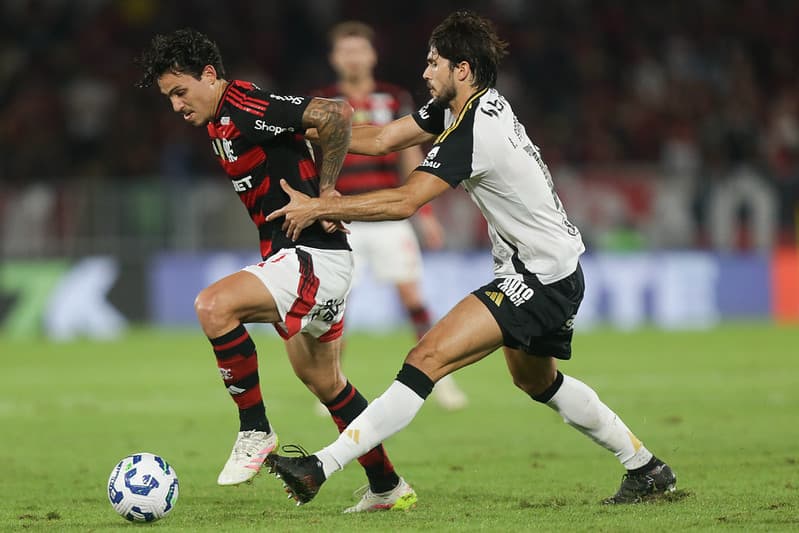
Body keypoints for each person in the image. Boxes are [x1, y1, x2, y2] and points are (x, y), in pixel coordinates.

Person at [264, 11, 677, 506]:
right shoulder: (464, 108)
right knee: (536, 380)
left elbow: (406, 201)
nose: (425, 72)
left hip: (536, 278)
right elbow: (380, 139)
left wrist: (321, 206)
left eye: (433, 63)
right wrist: (296, 128)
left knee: (425, 359)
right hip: (554, 270)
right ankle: (646, 468)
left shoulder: (473, 129)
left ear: (461, 69)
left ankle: (319, 467)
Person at [134, 28, 417, 513]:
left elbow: (336, 113)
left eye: (180, 91)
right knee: (327, 383)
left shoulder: (242, 102)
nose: (177, 105)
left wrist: (327, 194)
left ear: (209, 75)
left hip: (313, 256)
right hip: (309, 258)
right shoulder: (218, 121)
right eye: (169, 98)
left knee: (213, 306)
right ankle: (388, 486)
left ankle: (255, 430)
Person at [311, 20, 467, 411]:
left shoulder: (394, 97)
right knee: (336, 304)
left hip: (389, 215)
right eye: (345, 51)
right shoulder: (323, 101)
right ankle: (331, 385)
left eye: (359, 50)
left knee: (412, 297)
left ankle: (441, 379)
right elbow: (313, 157)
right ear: (334, 58)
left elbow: (409, 153)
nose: (353, 57)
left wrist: (424, 213)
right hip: (343, 218)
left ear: (372, 55)